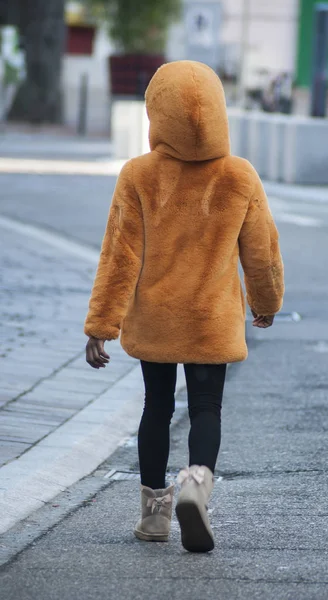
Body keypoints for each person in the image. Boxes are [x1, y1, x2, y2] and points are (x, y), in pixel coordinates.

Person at [84, 60, 284, 553]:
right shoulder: (239, 176)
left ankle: (155, 515)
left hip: (156, 317)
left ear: (157, 113)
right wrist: (266, 301)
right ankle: (197, 484)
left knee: (156, 406)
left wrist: (101, 324)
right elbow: (262, 252)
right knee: (206, 408)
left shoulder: (138, 176)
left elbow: (118, 257)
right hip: (210, 320)